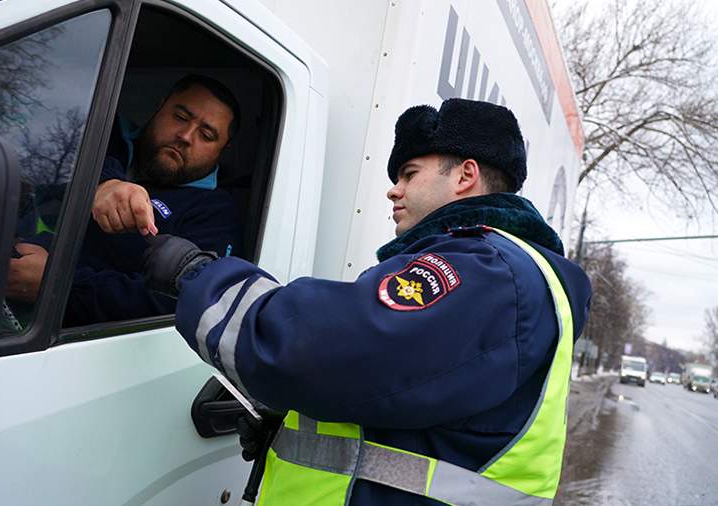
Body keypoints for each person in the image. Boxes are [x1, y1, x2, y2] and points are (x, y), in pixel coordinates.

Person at [142, 98, 592, 505]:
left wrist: (198, 276)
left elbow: (324, 353)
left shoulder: (489, 271)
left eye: (410, 174)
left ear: (465, 175)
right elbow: (401, 402)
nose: (393, 190)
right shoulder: (498, 271)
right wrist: (291, 426)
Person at [6, 75, 243, 326]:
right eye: (180, 117)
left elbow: (173, 304)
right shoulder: (99, 127)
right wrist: (105, 183)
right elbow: (44, 145)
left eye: (206, 135)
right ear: (161, 106)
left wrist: (60, 286)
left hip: (48, 340)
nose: (185, 135)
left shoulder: (216, 214)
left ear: (222, 150)